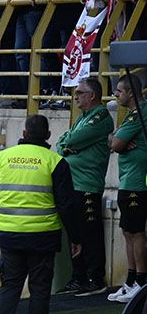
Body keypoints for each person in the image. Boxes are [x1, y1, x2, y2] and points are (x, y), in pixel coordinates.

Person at [0, 115, 81, 314]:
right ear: (47, 136)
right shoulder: (55, 161)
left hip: (10, 235)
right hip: (42, 236)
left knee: (10, 286)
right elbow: (67, 205)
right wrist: (75, 238)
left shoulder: (3, 158)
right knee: (39, 290)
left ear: (24, 133)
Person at [57, 77, 112, 296]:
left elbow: (73, 140)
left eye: (80, 92)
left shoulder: (100, 116)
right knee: (75, 233)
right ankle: (78, 276)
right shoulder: (82, 117)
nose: (76, 96)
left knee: (91, 232)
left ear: (92, 96)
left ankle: (95, 278)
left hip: (88, 184)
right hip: (74, 183)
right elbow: (63, 144)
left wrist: (71, 146)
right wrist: (69, 146)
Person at [109, 73, 147, 303]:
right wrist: (116, 139)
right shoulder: (131, 116)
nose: (116, 95)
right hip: (128, 180)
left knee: (136, 232)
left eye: (119, 91)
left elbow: (115, 143)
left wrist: (117, 140)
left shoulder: (139, 114)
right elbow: (113, 140)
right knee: (127, 230)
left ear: (131, 93)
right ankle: (132, 279)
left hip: (136, 182)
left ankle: (141, 281)